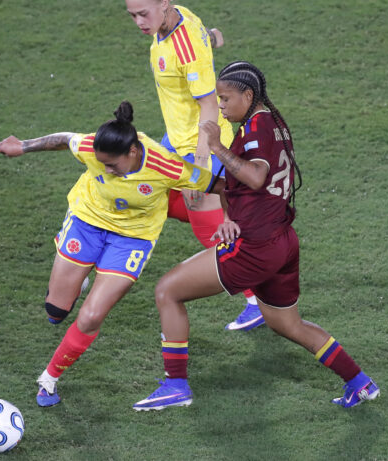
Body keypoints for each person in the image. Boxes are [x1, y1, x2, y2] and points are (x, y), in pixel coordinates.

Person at [132, 62, 380, 411]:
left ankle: (176, 386)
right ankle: (359, 382)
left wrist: (216, 147)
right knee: (287, 324)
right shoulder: (269, 122)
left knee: (167, 291)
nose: (219, 106)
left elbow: (254, 177)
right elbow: (235, 184)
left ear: (247, 95)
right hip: (281, 240)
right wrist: (229, 216)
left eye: (225, 99)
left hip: (256, 247)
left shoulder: (256, 129)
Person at [0, 101, 221, 407]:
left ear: (133, 152)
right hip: (87, 221)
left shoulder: (165, 166)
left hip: (132, 239)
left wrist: (242, 209)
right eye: (102, 164)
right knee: (55, 312)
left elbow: (221, 185)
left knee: (91, 316)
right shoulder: (93, 148)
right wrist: (23, 146)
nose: (107, 170)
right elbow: (64, 139)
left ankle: (48, 379)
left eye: (112, 165)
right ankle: (80, 279)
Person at [125, 0, 264, 331]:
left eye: (143, 13)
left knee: (206, 226)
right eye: (132, 15)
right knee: (137, 187)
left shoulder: (182, 40)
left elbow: (208, 105)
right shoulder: (175, 19)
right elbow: (203, 36)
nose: (138, 22)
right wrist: (213, 38)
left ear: (164, 4)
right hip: (176, 138)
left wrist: (200, 163)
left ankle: (257, 297)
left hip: (197, 144)